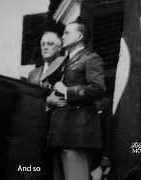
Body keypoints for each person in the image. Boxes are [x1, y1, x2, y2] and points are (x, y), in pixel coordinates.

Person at [47, 21, 105, 180]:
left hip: (77, 135)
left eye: (67, 33)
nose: (62, 36)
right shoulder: (61, 63)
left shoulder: (90, 59)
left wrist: (67, 91)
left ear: (79, 36)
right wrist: (50, 98)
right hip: (59, 134)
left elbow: (98, 89)